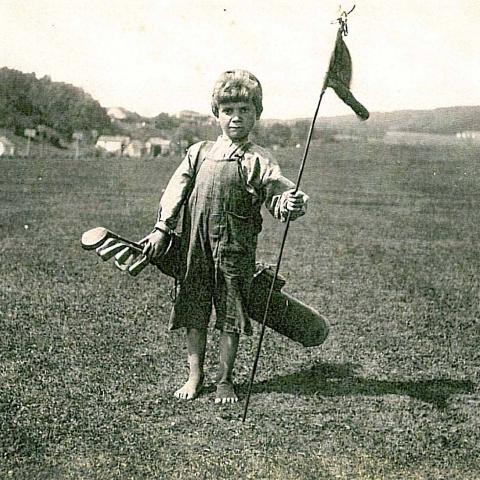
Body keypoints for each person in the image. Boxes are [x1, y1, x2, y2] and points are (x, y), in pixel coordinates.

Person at [141, 70, 309, 404]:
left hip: (236, 250)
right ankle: (195, 375)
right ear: (216, 114)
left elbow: (279, 197)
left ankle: (225, 380)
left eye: (245, 110)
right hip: (195, 246)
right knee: (194, 310)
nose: (236, 117)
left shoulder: (259, 159)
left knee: (231, 315)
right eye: (228, 110)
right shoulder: (199, 152)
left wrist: (291, 202)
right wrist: (162, 229)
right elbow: (174, 192)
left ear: (256, 115)